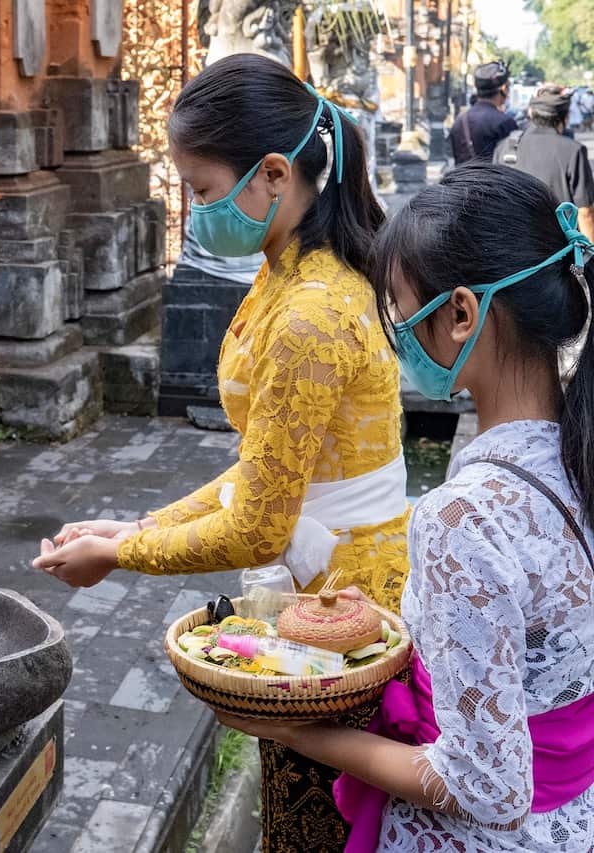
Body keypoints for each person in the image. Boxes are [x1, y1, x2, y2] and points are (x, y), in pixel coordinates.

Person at [32, 53, 408, 852]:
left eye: (202, 190)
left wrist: (121, 552)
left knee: (322, 825)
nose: (195, 211)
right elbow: (264, 469)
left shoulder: (309, 313)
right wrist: (132, 522)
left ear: (273, 174)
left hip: (342, 606)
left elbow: (257, 527)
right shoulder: (288, 273)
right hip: (327, 573)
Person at [221, 165, 594, 852]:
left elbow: (489, 786)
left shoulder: (464, 517)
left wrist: (306, 733)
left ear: (459, 312)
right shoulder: (577, 457)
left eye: (400, 309)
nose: (398, 337)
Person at [495, 86, 594, 242]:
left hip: (513, 246)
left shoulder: (505, 147)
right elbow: (585, 212)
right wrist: (589, 257)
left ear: (531, 113)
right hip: (558, 248)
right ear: (565, 118)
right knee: (574, 268)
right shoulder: (573, 151)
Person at [450, 62, 518, 165]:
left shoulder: (460, 121)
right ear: (503, 89)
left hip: (462, 180)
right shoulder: (505, 123)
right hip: (494, 180)